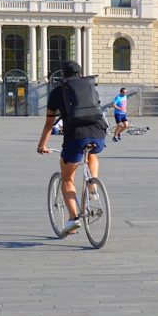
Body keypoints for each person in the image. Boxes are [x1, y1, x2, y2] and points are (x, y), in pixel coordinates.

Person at [37, 61, 108, 237]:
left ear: (64, 75)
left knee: (67, 178)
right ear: (80, 73)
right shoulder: (90, 87)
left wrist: (42, 145)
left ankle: (73, 218)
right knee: (91, 153)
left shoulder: (57, 92)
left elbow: (49, 124)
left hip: (75, 137)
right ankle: (93, 186)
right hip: (98, 133)